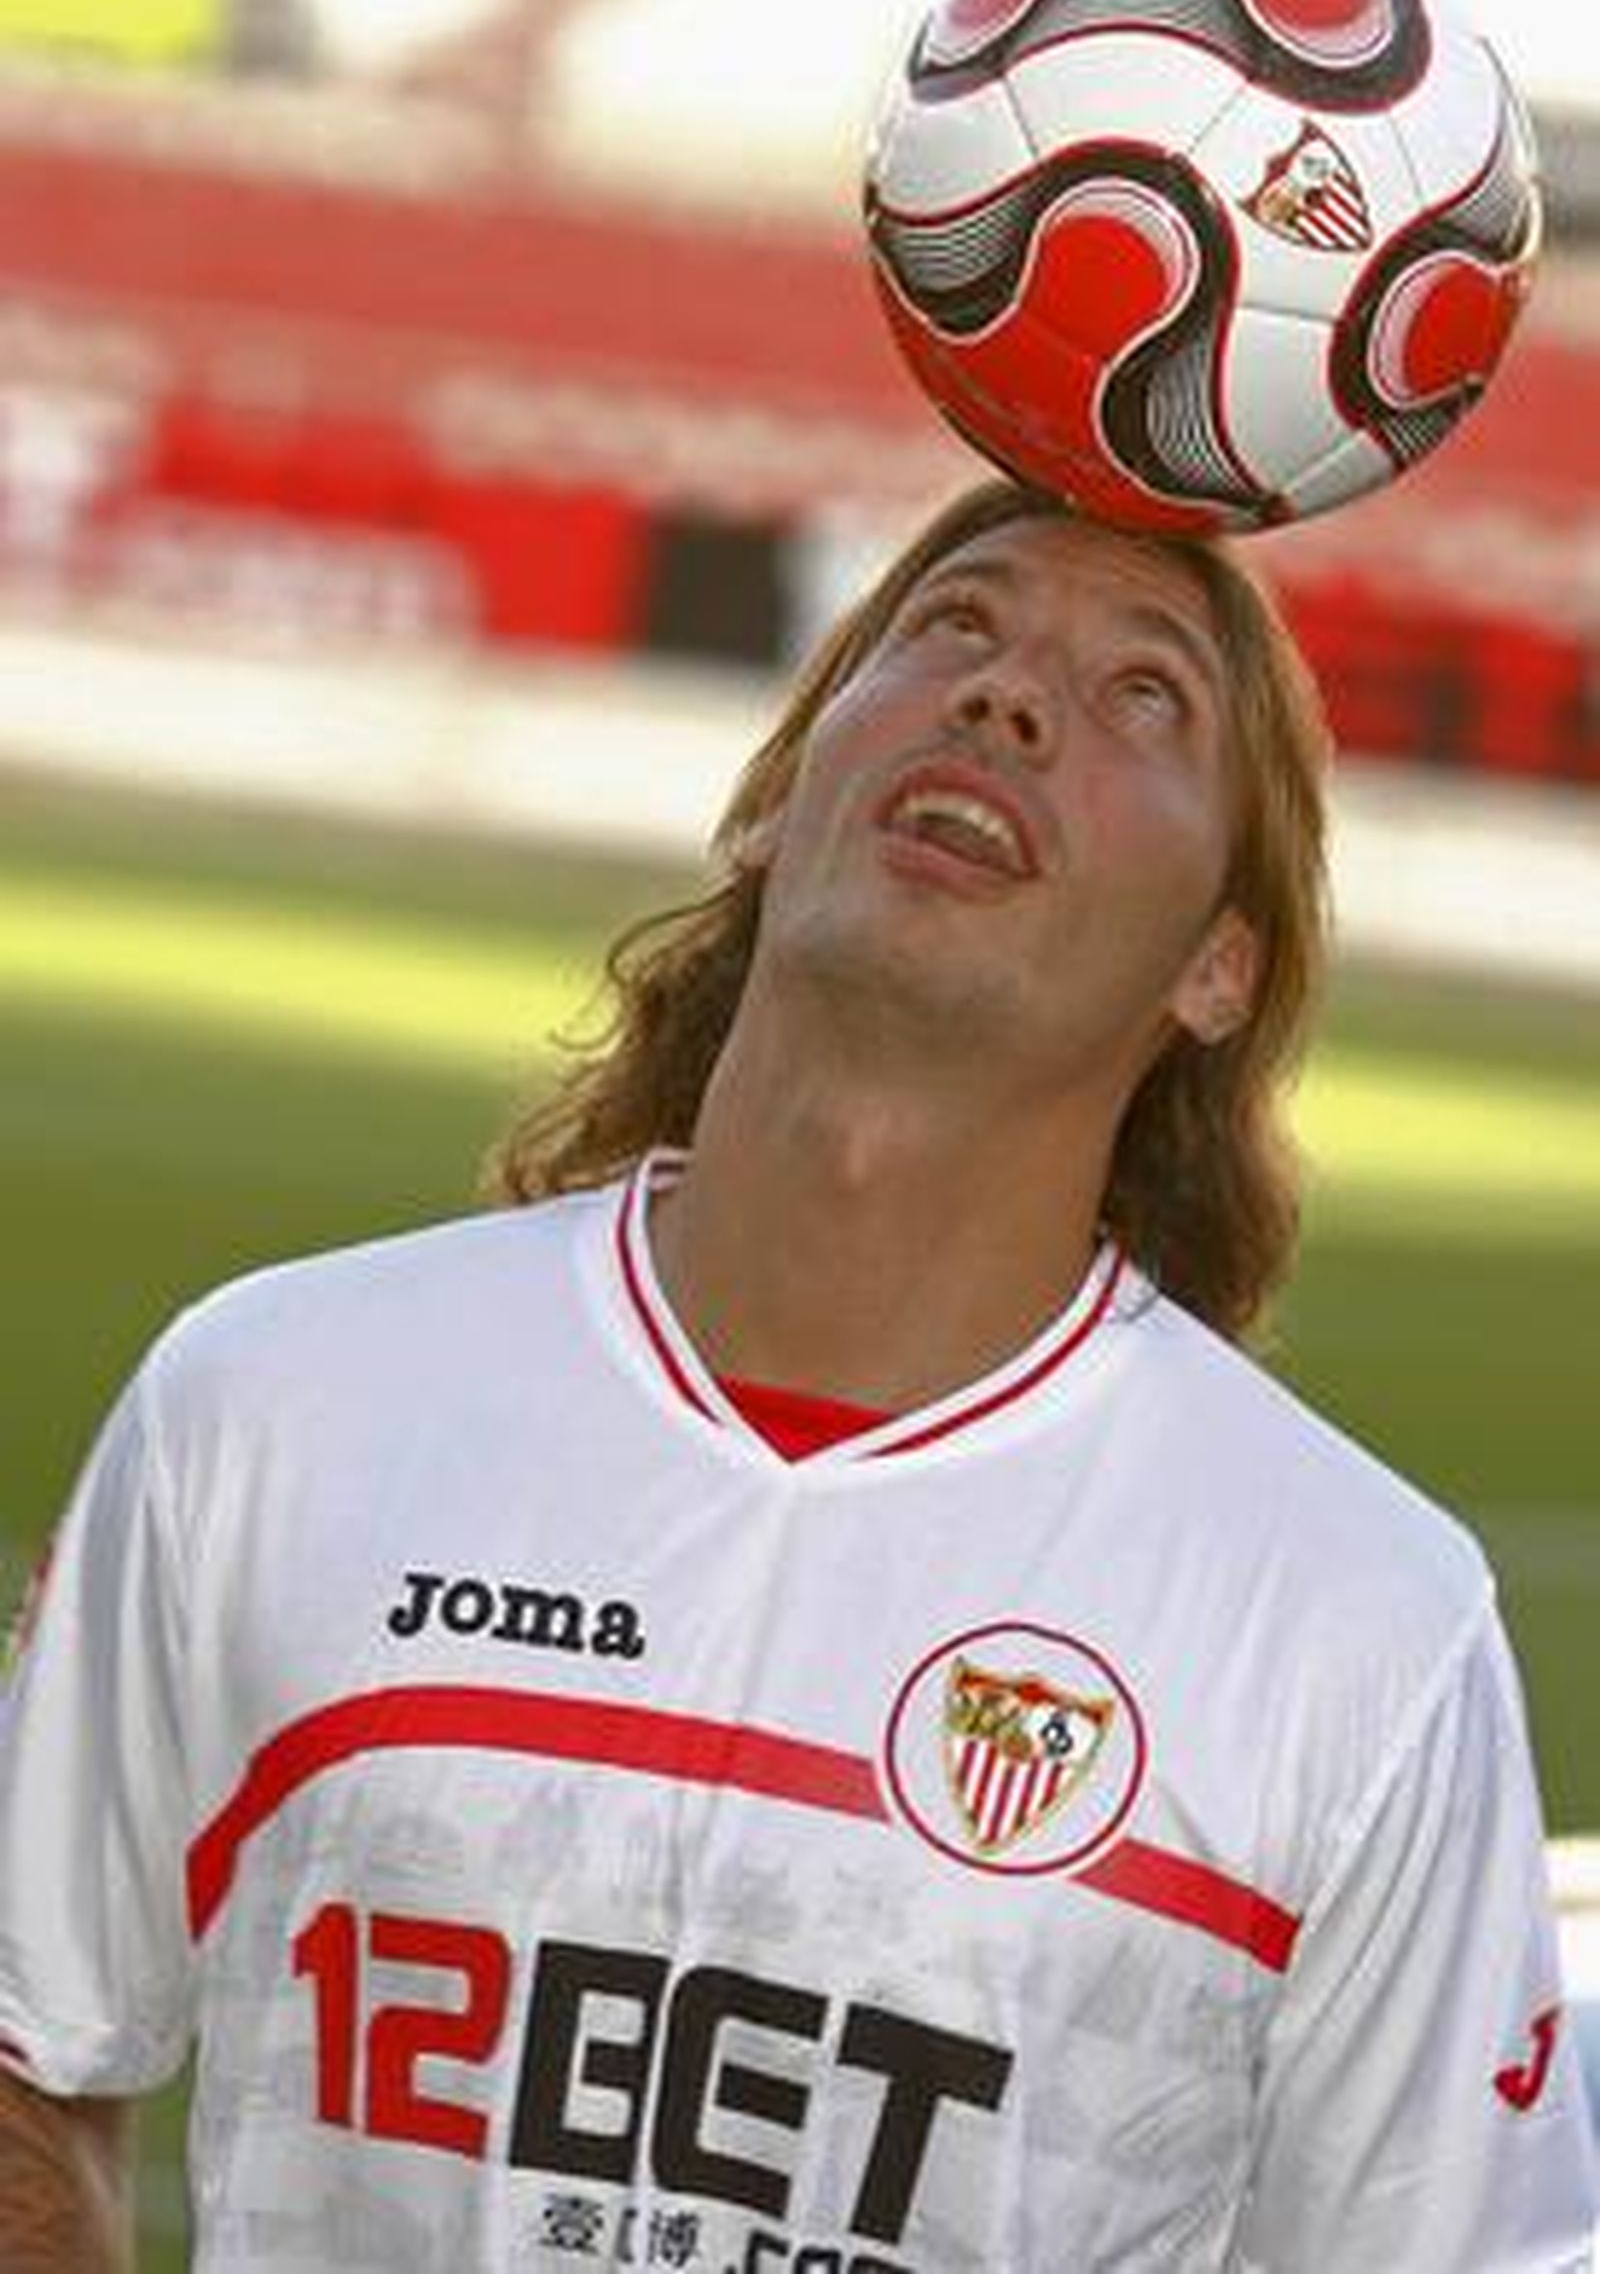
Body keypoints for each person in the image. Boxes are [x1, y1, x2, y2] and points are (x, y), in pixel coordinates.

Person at [0, 477, 1593, 2271]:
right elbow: (24, 2046)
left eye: (1144, 692)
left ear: (1222, 964)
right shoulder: (273, 1404)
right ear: (772, 802)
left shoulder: (1359, 1627)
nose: (1005, 700)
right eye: (950, 629)